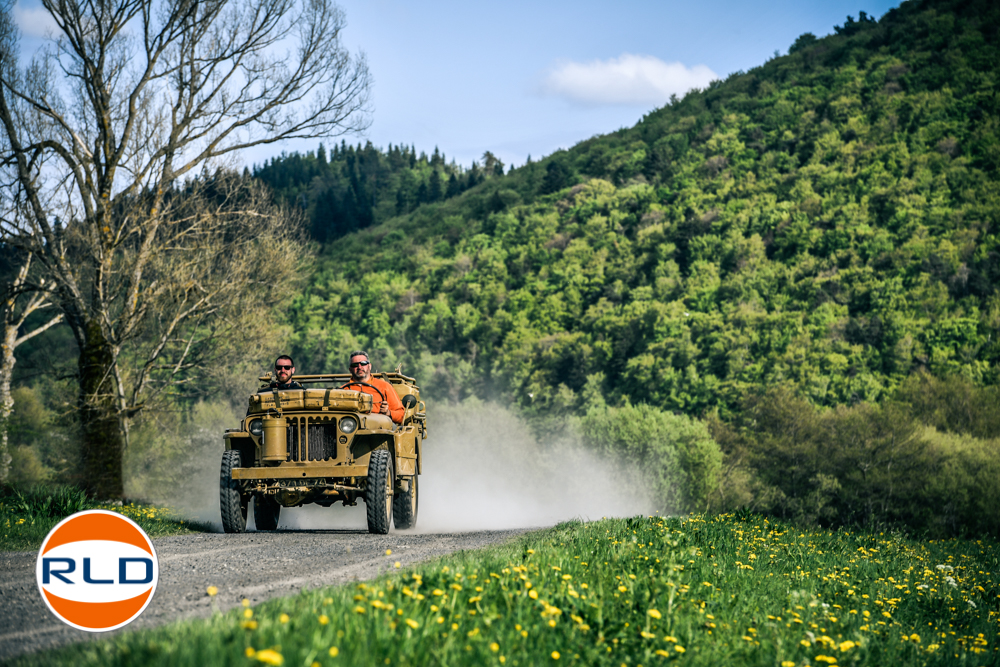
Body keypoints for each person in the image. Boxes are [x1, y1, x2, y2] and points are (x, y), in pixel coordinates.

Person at [341, 350, 404, 424]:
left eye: (363, 363)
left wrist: (388, 412)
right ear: (350, 370)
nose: (359, 367)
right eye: (355, 365)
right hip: (349, 428)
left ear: (369, 366)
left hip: (378, 430)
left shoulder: (385, 386)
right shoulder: (343, 390)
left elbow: (401, 415)